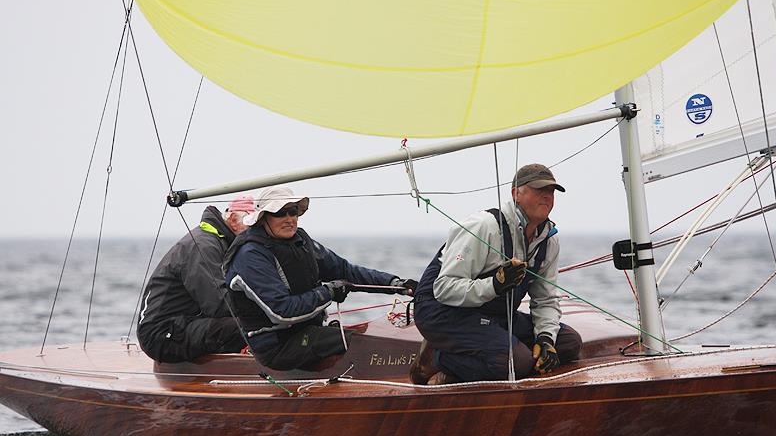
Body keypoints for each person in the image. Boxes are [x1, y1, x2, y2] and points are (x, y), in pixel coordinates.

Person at [410, 163, 582, 385]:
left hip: (493, 314)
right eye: (539, 189)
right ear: (516, 193)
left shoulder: (548, 239)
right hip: (442, 312)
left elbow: (545, 299)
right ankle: (438, 358)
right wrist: (495, 285)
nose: (547, 197)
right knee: (514, 363)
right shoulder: (484, 226)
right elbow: (444, 288)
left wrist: (546, 339)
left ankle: (493, 354)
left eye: (551, 191)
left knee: (568, 343)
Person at [223, 185, 417, 371]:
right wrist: (329, 292)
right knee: (362, 342)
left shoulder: (300, 240)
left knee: (377, 335)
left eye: (293, 211)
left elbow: (344, 270)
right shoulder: (250, 255)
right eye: (280, 213)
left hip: (307, 332)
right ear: (263, 218)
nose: (290, 219)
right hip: (277, 346)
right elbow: (282, 312)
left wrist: (394, 284)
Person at [137, 195, 255, 363]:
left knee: (256, 325)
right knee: (253, 328)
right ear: (233, 219)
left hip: (186, 323)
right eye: (250, 224)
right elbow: (220, 304)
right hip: (162, 334)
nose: (255, 232)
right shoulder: (203, 245)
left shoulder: (222, 241)